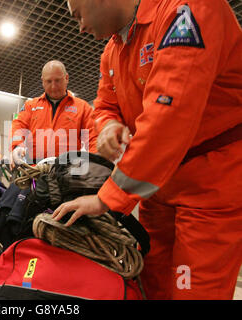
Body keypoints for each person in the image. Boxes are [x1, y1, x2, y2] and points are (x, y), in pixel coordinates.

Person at [52, 0, 242, 300]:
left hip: (211, 185)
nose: (81, 27)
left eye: (79, 16)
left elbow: (170, 116)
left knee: (192, 289)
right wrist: (110, 125)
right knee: (153, 282)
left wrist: (106, 200)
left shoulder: (188, 10)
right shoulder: (113, 51)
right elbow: (104, 105)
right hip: (159, 187)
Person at [11, 60, 97, 165]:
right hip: (35, 169)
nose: (53, 86)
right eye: (48, 81)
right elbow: (18, 126)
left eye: (57, 80)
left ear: (66, 78)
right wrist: (17, 146)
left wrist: (95, 163)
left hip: (66, 172)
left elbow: (94, 138)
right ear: (42, 81)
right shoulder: (31, 106)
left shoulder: (83, 108)